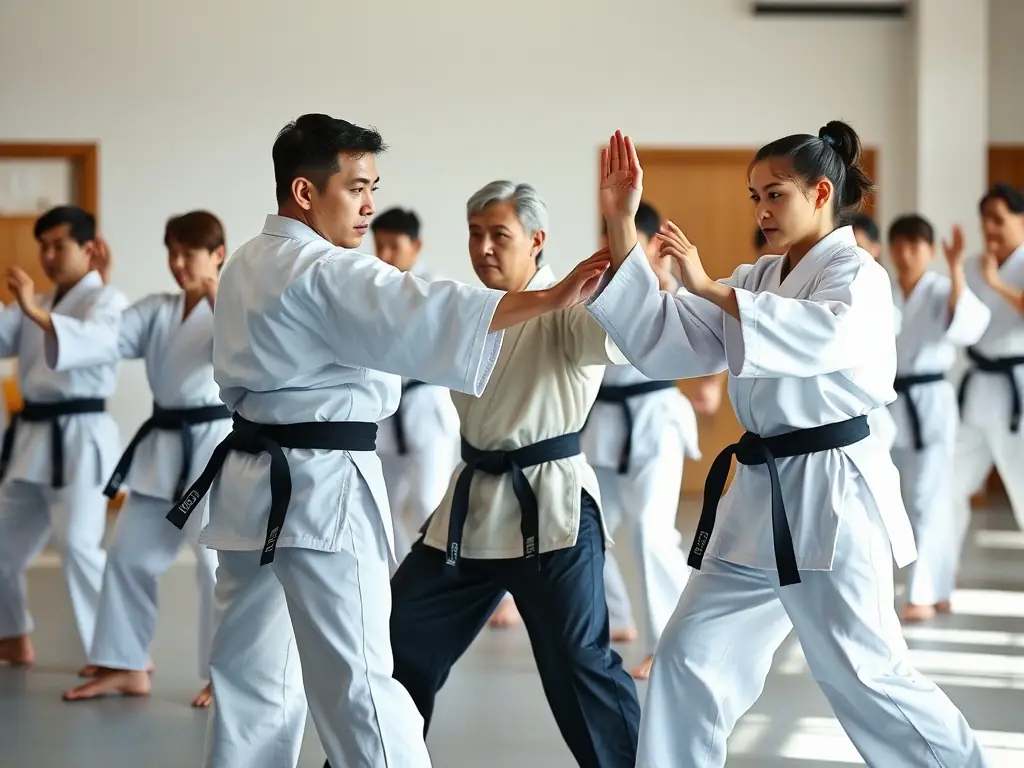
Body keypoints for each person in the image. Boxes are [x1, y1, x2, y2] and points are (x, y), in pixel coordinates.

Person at [165, 114, 610, 768]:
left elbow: (417, 307)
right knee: (363, 683)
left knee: (250, 678)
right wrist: (550, 299)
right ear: (305, 192)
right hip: (318, 491)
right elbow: (425, 307)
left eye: (374, 185)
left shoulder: (247, 263)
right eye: (356, 187)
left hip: (247, 493)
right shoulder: (322, 270)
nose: (370, 203)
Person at [589, 126, 988, 767]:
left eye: (774, 195)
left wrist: (712, 288)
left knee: (866, 674)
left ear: (821, 192)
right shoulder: (761, 275)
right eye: (754, 197)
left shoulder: (858, 274)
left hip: (832, 494)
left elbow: (819, 337)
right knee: (689, 657)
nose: (761, 211)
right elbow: (665, 337)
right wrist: (621, 223)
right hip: (758, 495)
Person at [384, 180, 641, 768]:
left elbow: (624, 323)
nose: (484, 248)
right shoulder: (466, 313)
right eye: (475, 234)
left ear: (537, 241)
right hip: (469, 510)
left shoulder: (570, 307)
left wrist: (621, 223)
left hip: (552, 509)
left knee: (578, 663)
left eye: (500, 235)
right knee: (399, 641)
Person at [62, 211, 232, 706]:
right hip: (162, 446)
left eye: (189, 253)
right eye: (172, 252)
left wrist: (221, 299)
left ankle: (223, 675)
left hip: (214, 446)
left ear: (218, 254)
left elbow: (250, 353)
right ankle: (124, 663)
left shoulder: (240, 306)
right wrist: (98, 289)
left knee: (214, 565)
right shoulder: (159, 310)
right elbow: (104, 337)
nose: (178, 264)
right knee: (129, 553)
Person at [0, 205, 126, 668]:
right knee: (2, 548)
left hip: (81, 439)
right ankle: (10, 635)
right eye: (44, 247)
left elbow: (92, 343)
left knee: (78, 546)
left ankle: (116, 655)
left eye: (59, 245)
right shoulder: (41, 303)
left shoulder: (106, 301)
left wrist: (32, 308)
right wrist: (29, 308)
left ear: (88, 248)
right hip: (33, 439)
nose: (49, 256)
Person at [584, 200, 700, 679]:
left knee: (652, 531)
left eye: (626, 234)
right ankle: (617, 617)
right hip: (606, 419)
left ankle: (667, 645)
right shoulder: (599, 283)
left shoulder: (670, 285)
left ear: (650, 241)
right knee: (593, 527)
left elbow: (705, 339)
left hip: (654, 416)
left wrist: (662, 276)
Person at [885, 215, 990, 623]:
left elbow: (966, 325)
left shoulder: (942, 288)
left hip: (930, 402)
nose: (906, 253)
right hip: (892, 404)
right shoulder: (886, 292)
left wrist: (957, 267)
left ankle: (923, 593)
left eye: (915, 245)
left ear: (929, 251)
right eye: (900, 245)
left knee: (929, 500)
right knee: (904, 502)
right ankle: (941, 586)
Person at [370, 208, 460, 565]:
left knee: (429, 505)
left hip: (427, 412)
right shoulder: (372, 288)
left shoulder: (435, 288)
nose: (385, 255)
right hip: (385, 416)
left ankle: (447, 584)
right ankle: (401, 581)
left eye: (394, 246)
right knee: (379, 507)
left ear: (416, 245)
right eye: (380, 246)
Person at [951, 184, 1024, 581]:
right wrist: (958, 269)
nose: (990, 229)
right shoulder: (978, 265)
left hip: (1017, 391)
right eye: (985, 221)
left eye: (999, 219)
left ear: (1021, 219)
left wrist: (996, 283)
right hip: (976, 388)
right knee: (948, 484)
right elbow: (960, 322)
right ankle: (939, 579)